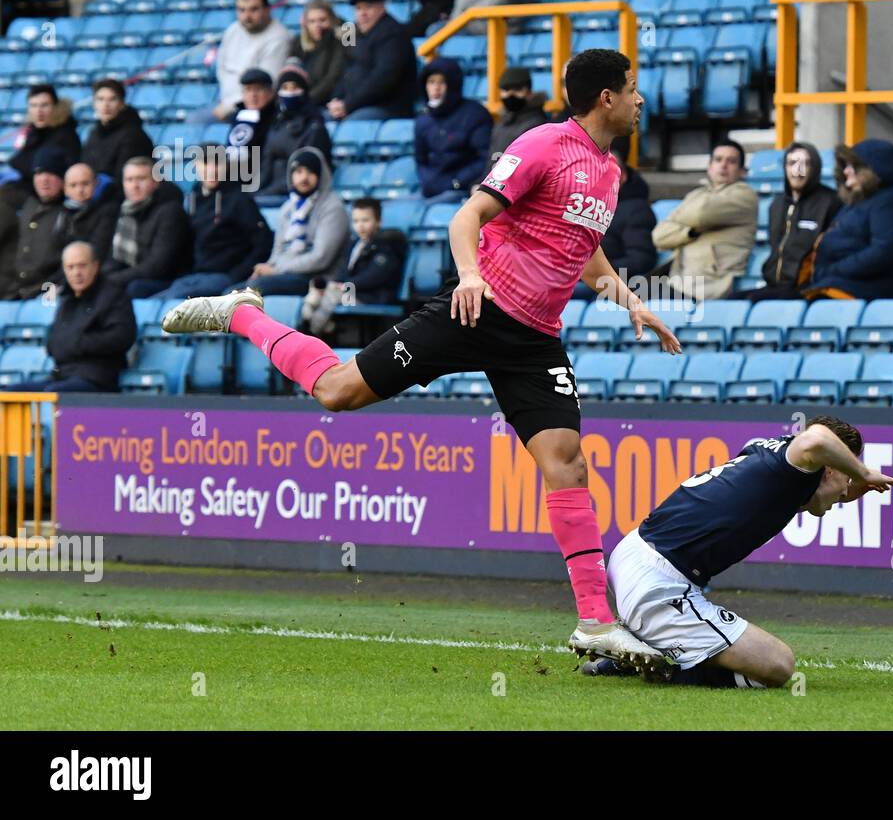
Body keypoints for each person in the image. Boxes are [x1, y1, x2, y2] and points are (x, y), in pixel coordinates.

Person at [161, 49, 681, 673]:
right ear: (604, 98)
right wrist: (469, 277)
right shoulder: (543, 144)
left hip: (534, 338)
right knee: (338, 392)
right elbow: (470, 216)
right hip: (476, 308)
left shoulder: (610, 172)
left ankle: (595, 622)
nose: (639, 98)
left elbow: (581, 245)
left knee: (566, 464)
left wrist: (628, 299)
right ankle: (243, 313)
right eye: (630, 88)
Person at [585, 417, 893, 687]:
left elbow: (817, 494)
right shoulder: (797, 459)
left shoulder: (774, 462)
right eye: (847, 476)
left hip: (636, 557)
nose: (847, 489)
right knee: (777, 666)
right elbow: (816, 437)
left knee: (759, 658)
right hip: (657, 584)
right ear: (828, 468)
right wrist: (866, 473)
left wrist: (859, 486)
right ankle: (663, 664)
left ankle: (649, 644)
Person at [802, 139, 893, 301]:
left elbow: (883, 252)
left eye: (854, 166)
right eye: (845, 165)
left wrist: (834, 270)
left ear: (874, 170)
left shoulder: (889, 204)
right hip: (836, 284)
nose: (846, 171)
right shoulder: (859, 202)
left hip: (863, 290)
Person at [152, 149, 272, 299]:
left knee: (172, 305)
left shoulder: (239, 200)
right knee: (153, 303)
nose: (212, 170)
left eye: (218, 164)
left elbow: (263, 242)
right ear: (195, 166)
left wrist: (236, 275)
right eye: (206, 163)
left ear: (226, 166)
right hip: (192, 278)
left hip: (223, 277)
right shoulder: (193, 199)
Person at [652, 139, 758, 300]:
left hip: (710, 285)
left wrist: (680, 219)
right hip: (677, 281)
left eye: (731, 161)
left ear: (742, 171)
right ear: (709, 167)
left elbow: (700, 214)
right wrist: (691, 231)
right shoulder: (696, 195)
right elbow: (659, 236)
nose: (723, 165)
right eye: (718, 159)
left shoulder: (745, 195)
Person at [242, 148, 348, 296]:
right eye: (298, 172)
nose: (304, 178)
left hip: (314, 279)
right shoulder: (288, 207)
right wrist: (266, 268)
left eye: (310, 172)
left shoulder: (333, 207)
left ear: (320, 175)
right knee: (230, 293)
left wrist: (276, 269)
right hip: (284, 273)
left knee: (254, 289)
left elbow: (321, 258)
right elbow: (278, 250)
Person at [740, 142, 838, 301]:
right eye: (792, 163)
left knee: (751, 300)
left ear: (816, 168)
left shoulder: (831, 202)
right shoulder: (777, 204)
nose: (798, 171)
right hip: (775, 285)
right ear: (785, 167)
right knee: (732, 300)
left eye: (805, 164)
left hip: (808, 286)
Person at [37, 242, 137, 393]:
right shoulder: (66, 299)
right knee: (10, 393)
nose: (77, 272)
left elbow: (122, 337)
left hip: (97, 379)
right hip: (62, 375)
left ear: (95, 266)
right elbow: (54, 341)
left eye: (82, 265)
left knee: (53, 394)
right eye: (70, 267)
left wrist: (78, 343)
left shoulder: (114, 295)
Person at [300, 197, 407, 335]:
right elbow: (344, 268)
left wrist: (345, 285)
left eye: (365, 220)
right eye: (356, 221)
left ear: (378, 221)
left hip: (371, 297)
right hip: (352, 291)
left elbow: (375, 276)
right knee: (318, 289)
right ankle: (312, 319)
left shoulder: (385, 245)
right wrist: (336, 283)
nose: (360, 225)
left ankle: (312, 331)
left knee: (333, 295)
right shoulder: (354, 243)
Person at [573, 134, 656, 301]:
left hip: (600, 284)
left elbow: (641, 259)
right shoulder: (583, 205)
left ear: (623, 177)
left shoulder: (636, 210)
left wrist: (594, 271)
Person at [101, 157, 193, 299]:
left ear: (155, 182)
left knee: (130, 289)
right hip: (135, 278)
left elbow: (158, 266)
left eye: (141, 179)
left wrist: (112, 280)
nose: (134, 185)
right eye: (129, 180)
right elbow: (115, 260)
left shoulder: (171, 212)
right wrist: (100, 279)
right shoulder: (125, 212)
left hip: (167, 281)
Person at [327, 0, 418, 122]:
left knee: (353, 124)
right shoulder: (352, 32)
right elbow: (345, 70)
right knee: (317, 121)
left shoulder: (393, 34)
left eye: (368, 8)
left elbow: (383, 79)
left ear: (382, 7)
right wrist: (336, 99)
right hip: (354, 105)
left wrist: (348, 105)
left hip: (387, 108)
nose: (363, 14)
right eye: (358, 9)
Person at [415, 57, 493, 203]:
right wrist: (429, 183)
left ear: (453, 85)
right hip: (430, 191)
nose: (436, 88)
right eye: (431, 82)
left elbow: (484, 157)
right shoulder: (422, 120)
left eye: (442, 82)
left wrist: (456, 182)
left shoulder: (475, 114)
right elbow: (420, 160)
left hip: (460, 190)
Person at [211, 0, 293, 122]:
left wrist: (232, 105)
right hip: (224, 103)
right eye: (242, 10)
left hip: (252, 108)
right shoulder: (233, 30)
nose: (247, 16)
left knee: (198, 121)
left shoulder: (279, 37)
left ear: (267, 9)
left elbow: (266, 83)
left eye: (253, 9)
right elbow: (221, 68)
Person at [0, 84, 80, 209]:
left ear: (55, 107)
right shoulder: (34, 131)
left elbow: (37, 168)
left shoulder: (66, 135)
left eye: (44, 105)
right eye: (34, 106)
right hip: (27, 188)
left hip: (48, 196)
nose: (39, 111)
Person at [262, 58, 332, 198]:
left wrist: (269, 192)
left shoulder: (315, 127)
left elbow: (308, 171)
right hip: (270, 191)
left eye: (294, 87)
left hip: (295, 192)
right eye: (285, 88)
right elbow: (266, 166)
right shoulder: (276, 123)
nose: (290, 92)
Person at [5, 146, 68, 299]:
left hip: (49, 290)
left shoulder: (69, 213)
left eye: (51, 173)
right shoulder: (28, 206)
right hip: (15, 289)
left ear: (62, 179)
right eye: (39, 173)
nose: (44, 179)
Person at [79, 78, 154, 197]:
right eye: (100, 99)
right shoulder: (93, 134)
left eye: (112, 99)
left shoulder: (134, 135)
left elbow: (123, 179)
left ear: (122, 104)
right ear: (94, 104)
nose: (106, 105)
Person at [225, 68, 278, 191]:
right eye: (248, 90)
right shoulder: (237, 117)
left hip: (260, 180)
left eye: (258, 89)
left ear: (270, 93)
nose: (253, 95)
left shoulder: (276, 118)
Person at [289, 0, 346, 106]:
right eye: (312, 21)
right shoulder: (298, 43)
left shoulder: (340, 42)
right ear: (305, 23)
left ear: (332, 20)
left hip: (329, 102)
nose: (317, 25)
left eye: (322, 20)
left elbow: (332, 78)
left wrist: (306, 101)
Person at [60, 161, 119, 266]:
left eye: (85, 184)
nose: (80, 190)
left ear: (96, 184)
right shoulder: (63, 213)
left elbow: (98, 251)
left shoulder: (107, 212)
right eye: (73, 185)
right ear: (65, 189)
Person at [489, 67, 548, 166]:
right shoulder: (500, 125)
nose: (510, 94)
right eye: (506, 89)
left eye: (517, 89)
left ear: (529, 92)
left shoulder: (537, 126)